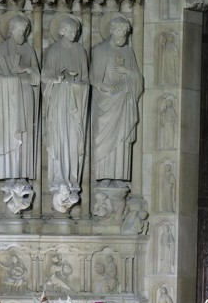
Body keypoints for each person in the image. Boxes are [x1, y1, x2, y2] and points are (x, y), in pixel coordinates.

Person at [41, 15, 90, 212]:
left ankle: (71, 180)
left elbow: (86, 79)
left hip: (76, 105)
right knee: (59, 140)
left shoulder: (80, 50)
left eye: (76, 31)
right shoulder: (54, 50)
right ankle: (59, 178)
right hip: (59, 103)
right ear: (61, 31)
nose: (74, 33)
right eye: (70, 30)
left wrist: (77, 84)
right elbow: (45, 77)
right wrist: (58, 79)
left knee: (73, 140)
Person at [90, 15, 143, 183]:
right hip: (106, 102)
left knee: (121, 139)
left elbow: (138, 79)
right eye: (120, 34)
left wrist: (127, 71)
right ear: (112, 31)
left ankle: (119, 177)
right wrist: (105, 88)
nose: (123, 38)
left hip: (124, 101)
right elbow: (94, 77)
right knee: (103, 139)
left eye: (125, 34)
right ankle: (103, 177)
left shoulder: (128, 51)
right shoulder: (100, 50)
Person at [0, 13, 40, 183]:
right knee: (8, 134)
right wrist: (13, 79)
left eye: (25, 31)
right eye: (19, 30)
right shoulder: (0, 50)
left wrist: (27, 70)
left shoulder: (29, 50)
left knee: (26, 135)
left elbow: (37, 77)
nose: (22, 34)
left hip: (26, 98)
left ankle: (23, 175)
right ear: (11, 30)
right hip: (8, 101)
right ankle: (9, 175)